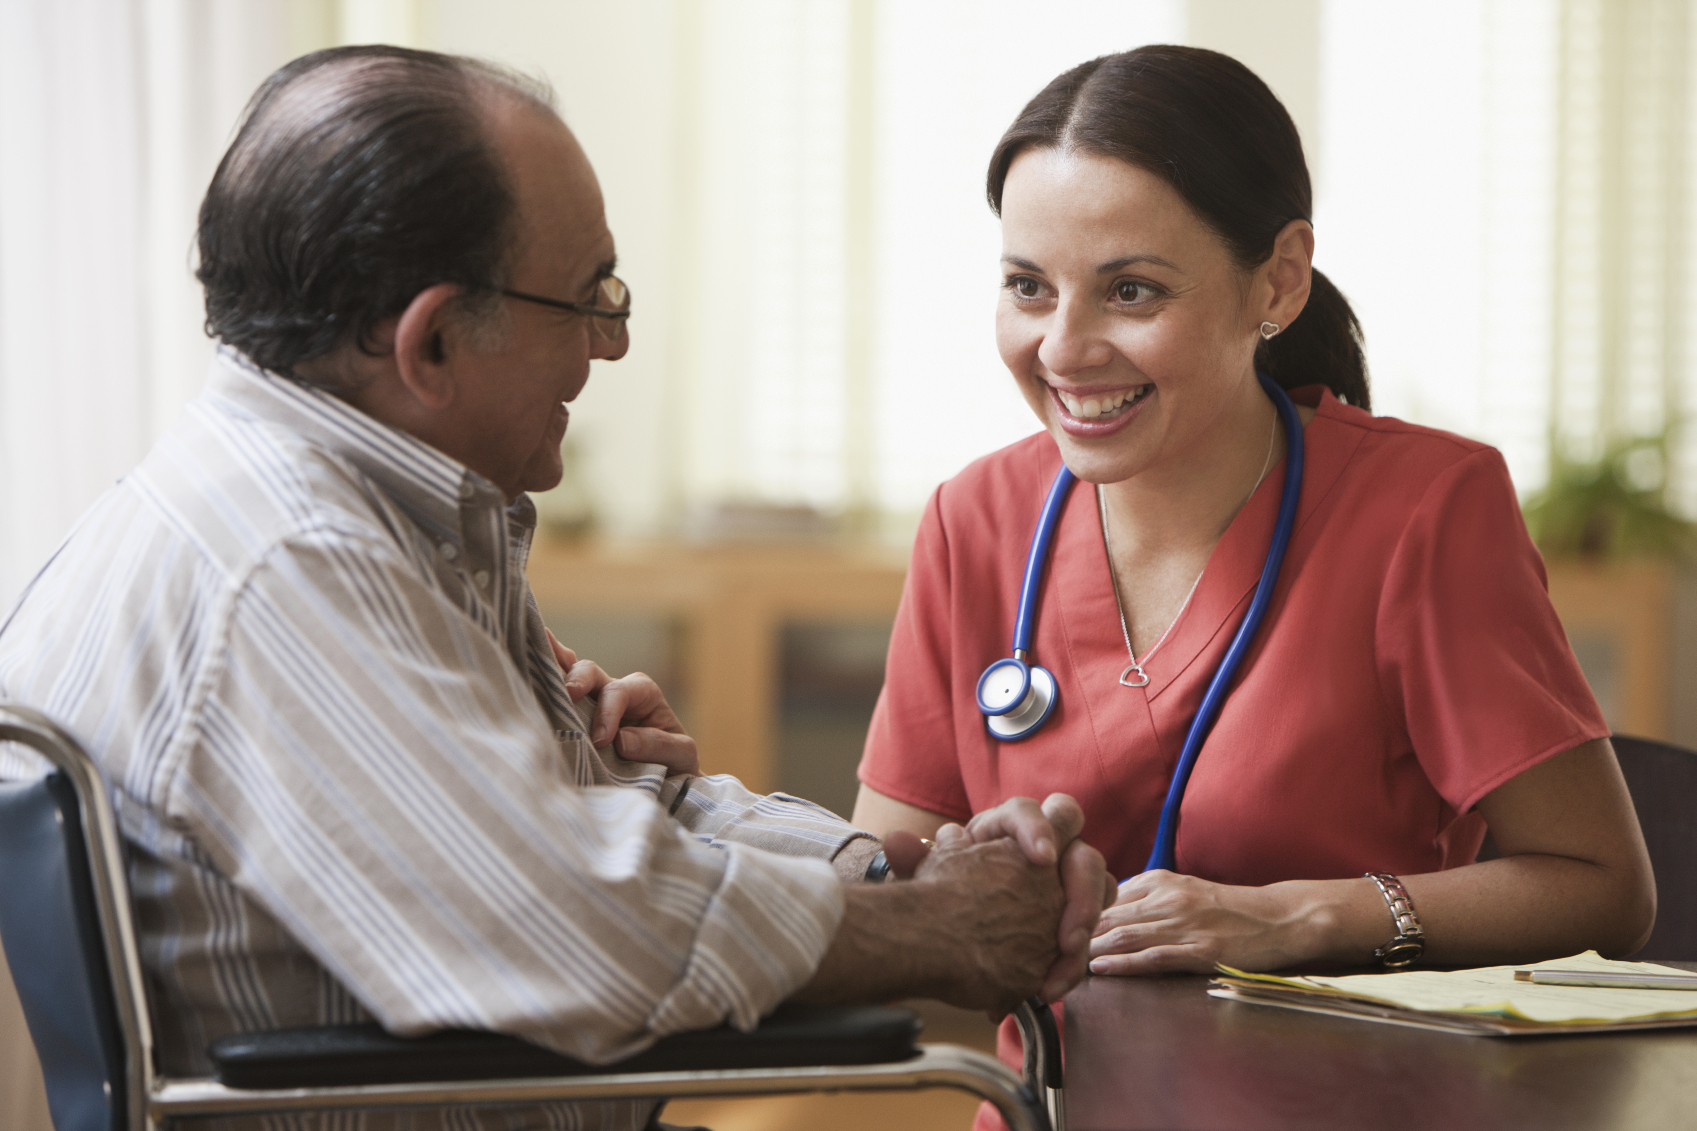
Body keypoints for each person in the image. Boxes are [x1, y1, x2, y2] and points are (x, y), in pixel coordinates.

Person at [0, 46, 1110, 1131]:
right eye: (589, 299)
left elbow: (602, 814)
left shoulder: (354, 511)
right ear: (430, 341)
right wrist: (936, 932)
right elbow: (584, 930)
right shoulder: (287, 566)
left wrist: (895, 867)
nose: (614, 343)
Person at [855, 46, 1655, 980]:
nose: (1063, 349)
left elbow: (1603, 887)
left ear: (1276, 281)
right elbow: (884, 883)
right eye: (1028, 285)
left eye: (1131, 290)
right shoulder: (974, 520)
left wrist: (1297, 918)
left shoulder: (1421, 510)